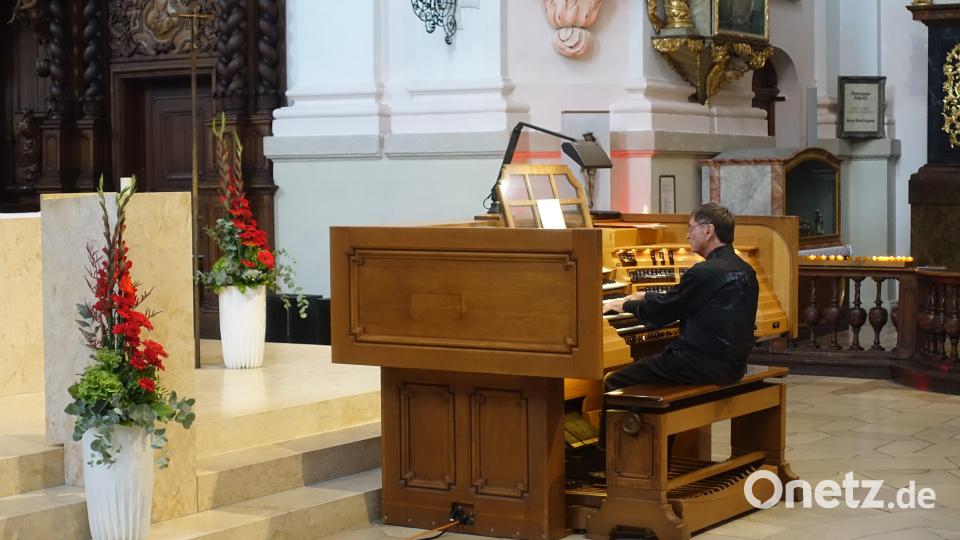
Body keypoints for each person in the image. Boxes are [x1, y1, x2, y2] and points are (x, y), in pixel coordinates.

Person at [602, 203, 759, 390]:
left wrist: (626, 305)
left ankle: (632, 419)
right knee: (654, 360)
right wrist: (646, 295)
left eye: (690, 228)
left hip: (701, 365)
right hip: (734, 366)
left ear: (708, 231)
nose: (687, 235)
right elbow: (681, 299)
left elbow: (662, 312)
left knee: (613, 380)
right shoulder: (745, 269)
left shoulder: (705, 271)